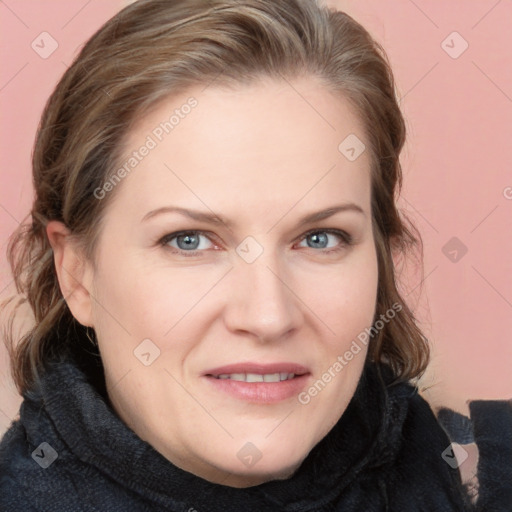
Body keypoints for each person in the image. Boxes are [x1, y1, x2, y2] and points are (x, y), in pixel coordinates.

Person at [0, 0, 478, 510]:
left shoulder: (476, 472)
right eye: (190, 240)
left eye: (320, 238)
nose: (268, 316)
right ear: (77, 274)